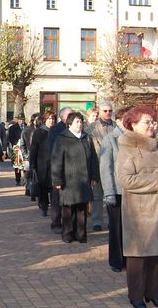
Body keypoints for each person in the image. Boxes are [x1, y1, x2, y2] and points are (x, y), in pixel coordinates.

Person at [116, 106, 158, 308]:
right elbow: (126, 180)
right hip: (139, 211)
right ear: (133, 125)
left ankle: (154, 293)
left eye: (153, 121)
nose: (151, 125)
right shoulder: (128, 148)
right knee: (138, 256)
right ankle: (136, 295)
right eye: (146, 122)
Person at [51, 112, 99, 243]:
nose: (80, 124)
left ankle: (81, 234)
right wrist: (57, 180)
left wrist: (94, 176)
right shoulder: (62, 138)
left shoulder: (86, 138)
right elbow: (56, 161)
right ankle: (67, 233)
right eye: (77, 122)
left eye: (81, 121)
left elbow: (93, 159)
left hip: (84, 180)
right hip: (68, 180)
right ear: (69, 124)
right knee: (68, 208)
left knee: (81, 209)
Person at [99, 106, 131, 272]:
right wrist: (109, 192)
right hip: (117, 191)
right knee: (116, 228)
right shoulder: (110, 139)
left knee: (130, 228)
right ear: (118, 121)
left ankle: (129, 258)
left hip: (133, 191)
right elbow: (105, 167)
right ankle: (116, 261)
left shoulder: (135, 138)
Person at [89, 101, 115, 232]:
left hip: (115, 167)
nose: (108, 113)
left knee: (113, 195)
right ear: (99, 111)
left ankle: (113, 220)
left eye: (110, 111)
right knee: (97, 196)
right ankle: (97, 221)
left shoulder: (116, 126)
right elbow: (94, 149)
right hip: (99, 165)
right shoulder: (92, 128)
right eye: (105, 111)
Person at [30, 111, 55, 217]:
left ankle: (55, 208)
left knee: (54, 188)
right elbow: (33, 150)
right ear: (45, 120)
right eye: (49, 119)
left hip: (55, 165)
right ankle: (44, 207)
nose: (52, 121)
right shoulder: (39, 132)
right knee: (43, 188)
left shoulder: (57, 131)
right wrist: (33, 165)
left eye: (53, 119)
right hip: (42, 165)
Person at [7, 114, 26, 185]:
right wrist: (16, 143)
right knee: (18, 165)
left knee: (25, 164)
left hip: (25, 148)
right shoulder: (13, 128)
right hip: (16, 148)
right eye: (19, 119)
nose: (21, 121)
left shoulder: (27, 127)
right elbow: (10, 138)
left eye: (22, 119)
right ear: (17, 120)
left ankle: (25, 179)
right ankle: (18, 179)